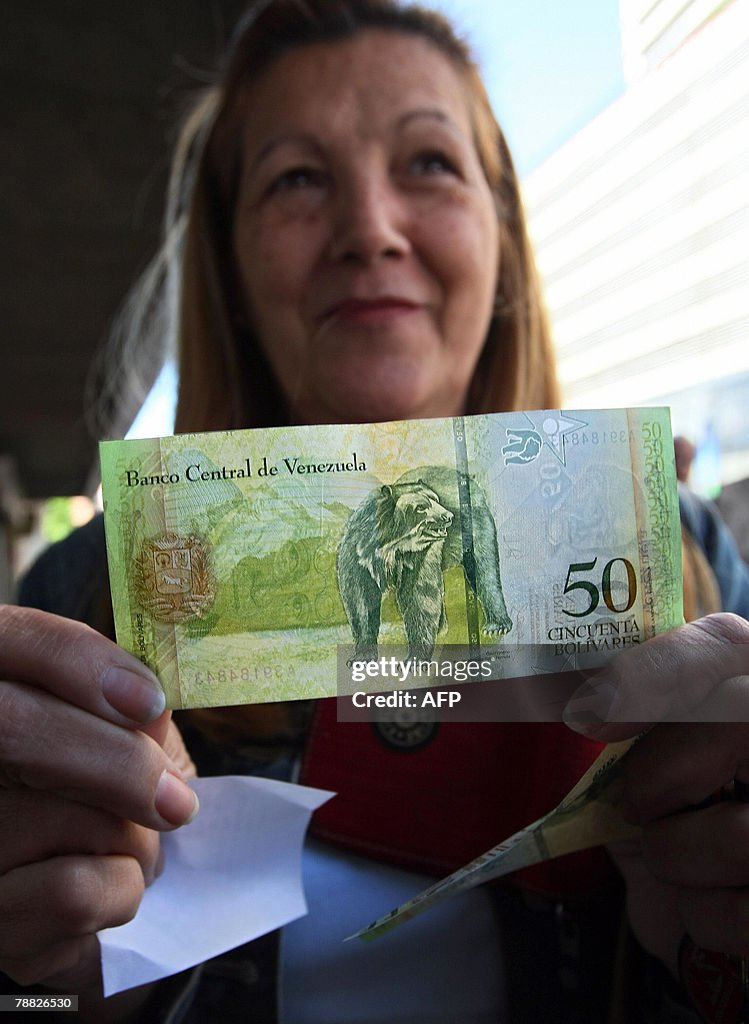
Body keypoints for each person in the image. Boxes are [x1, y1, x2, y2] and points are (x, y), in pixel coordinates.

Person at [3, 1, 749, 1021]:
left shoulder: (689, 554)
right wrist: (35, 985)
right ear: (229, 266)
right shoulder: (83, 596)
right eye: (297, 179)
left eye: (429, 164)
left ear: (500, 233)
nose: (369, 230)